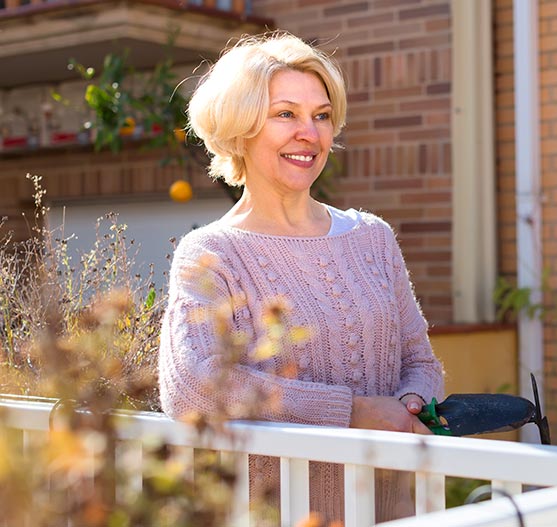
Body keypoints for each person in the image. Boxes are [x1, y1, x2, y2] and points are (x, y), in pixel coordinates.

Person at [158, 32, 444, 523]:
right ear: (240, 127)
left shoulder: (371, 237)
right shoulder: (212, 252)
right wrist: (352, 412)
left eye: (322, 115)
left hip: (389, 510)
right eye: (285, 114)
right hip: (277, 513)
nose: (309, 134)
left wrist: (411, 405)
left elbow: (420, 361)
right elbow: (193, 388)